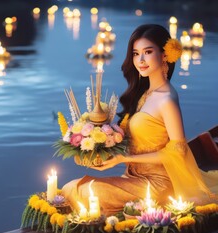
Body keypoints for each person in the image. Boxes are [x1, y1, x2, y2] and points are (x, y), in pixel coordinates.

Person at [62, 24, 218, 216]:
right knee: (72, 188)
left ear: (165, 54)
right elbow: (136, 141)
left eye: (148, 52)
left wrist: (125, 158)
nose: (140, 60)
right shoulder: (144, 94)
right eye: (136, 53)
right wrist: (101, 149)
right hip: (134, 177)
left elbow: (178, 152)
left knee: (81, 191)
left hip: (158, 184)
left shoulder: (167, 99)